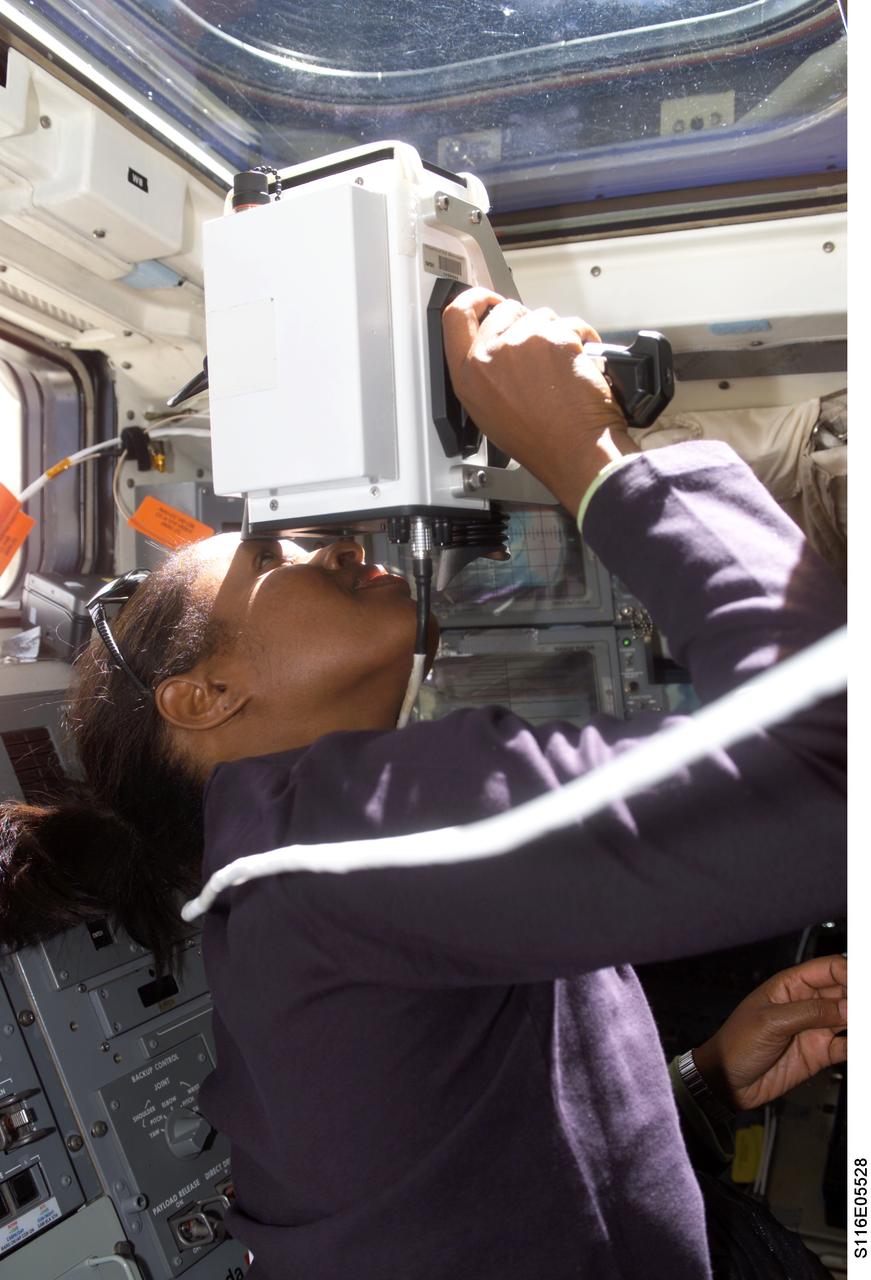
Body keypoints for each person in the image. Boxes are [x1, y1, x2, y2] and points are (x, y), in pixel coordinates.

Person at [0, 290, 846, 1278]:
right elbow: (833, 773)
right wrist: (591, 455)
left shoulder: (300, 865)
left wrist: (695, 1083)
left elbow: (477, 1174)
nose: (336, 545)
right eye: (277, 554)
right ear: (203, 697)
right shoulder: (320, 845)